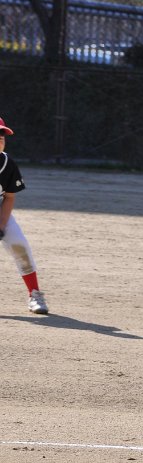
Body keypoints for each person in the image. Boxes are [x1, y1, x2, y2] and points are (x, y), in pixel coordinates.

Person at [0, 117, 48, 315]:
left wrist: (1, 225)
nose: (0, 139)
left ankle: (34, 294)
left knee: (19, 245)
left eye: (2, 136)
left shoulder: (7, 164)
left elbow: (9, 197)